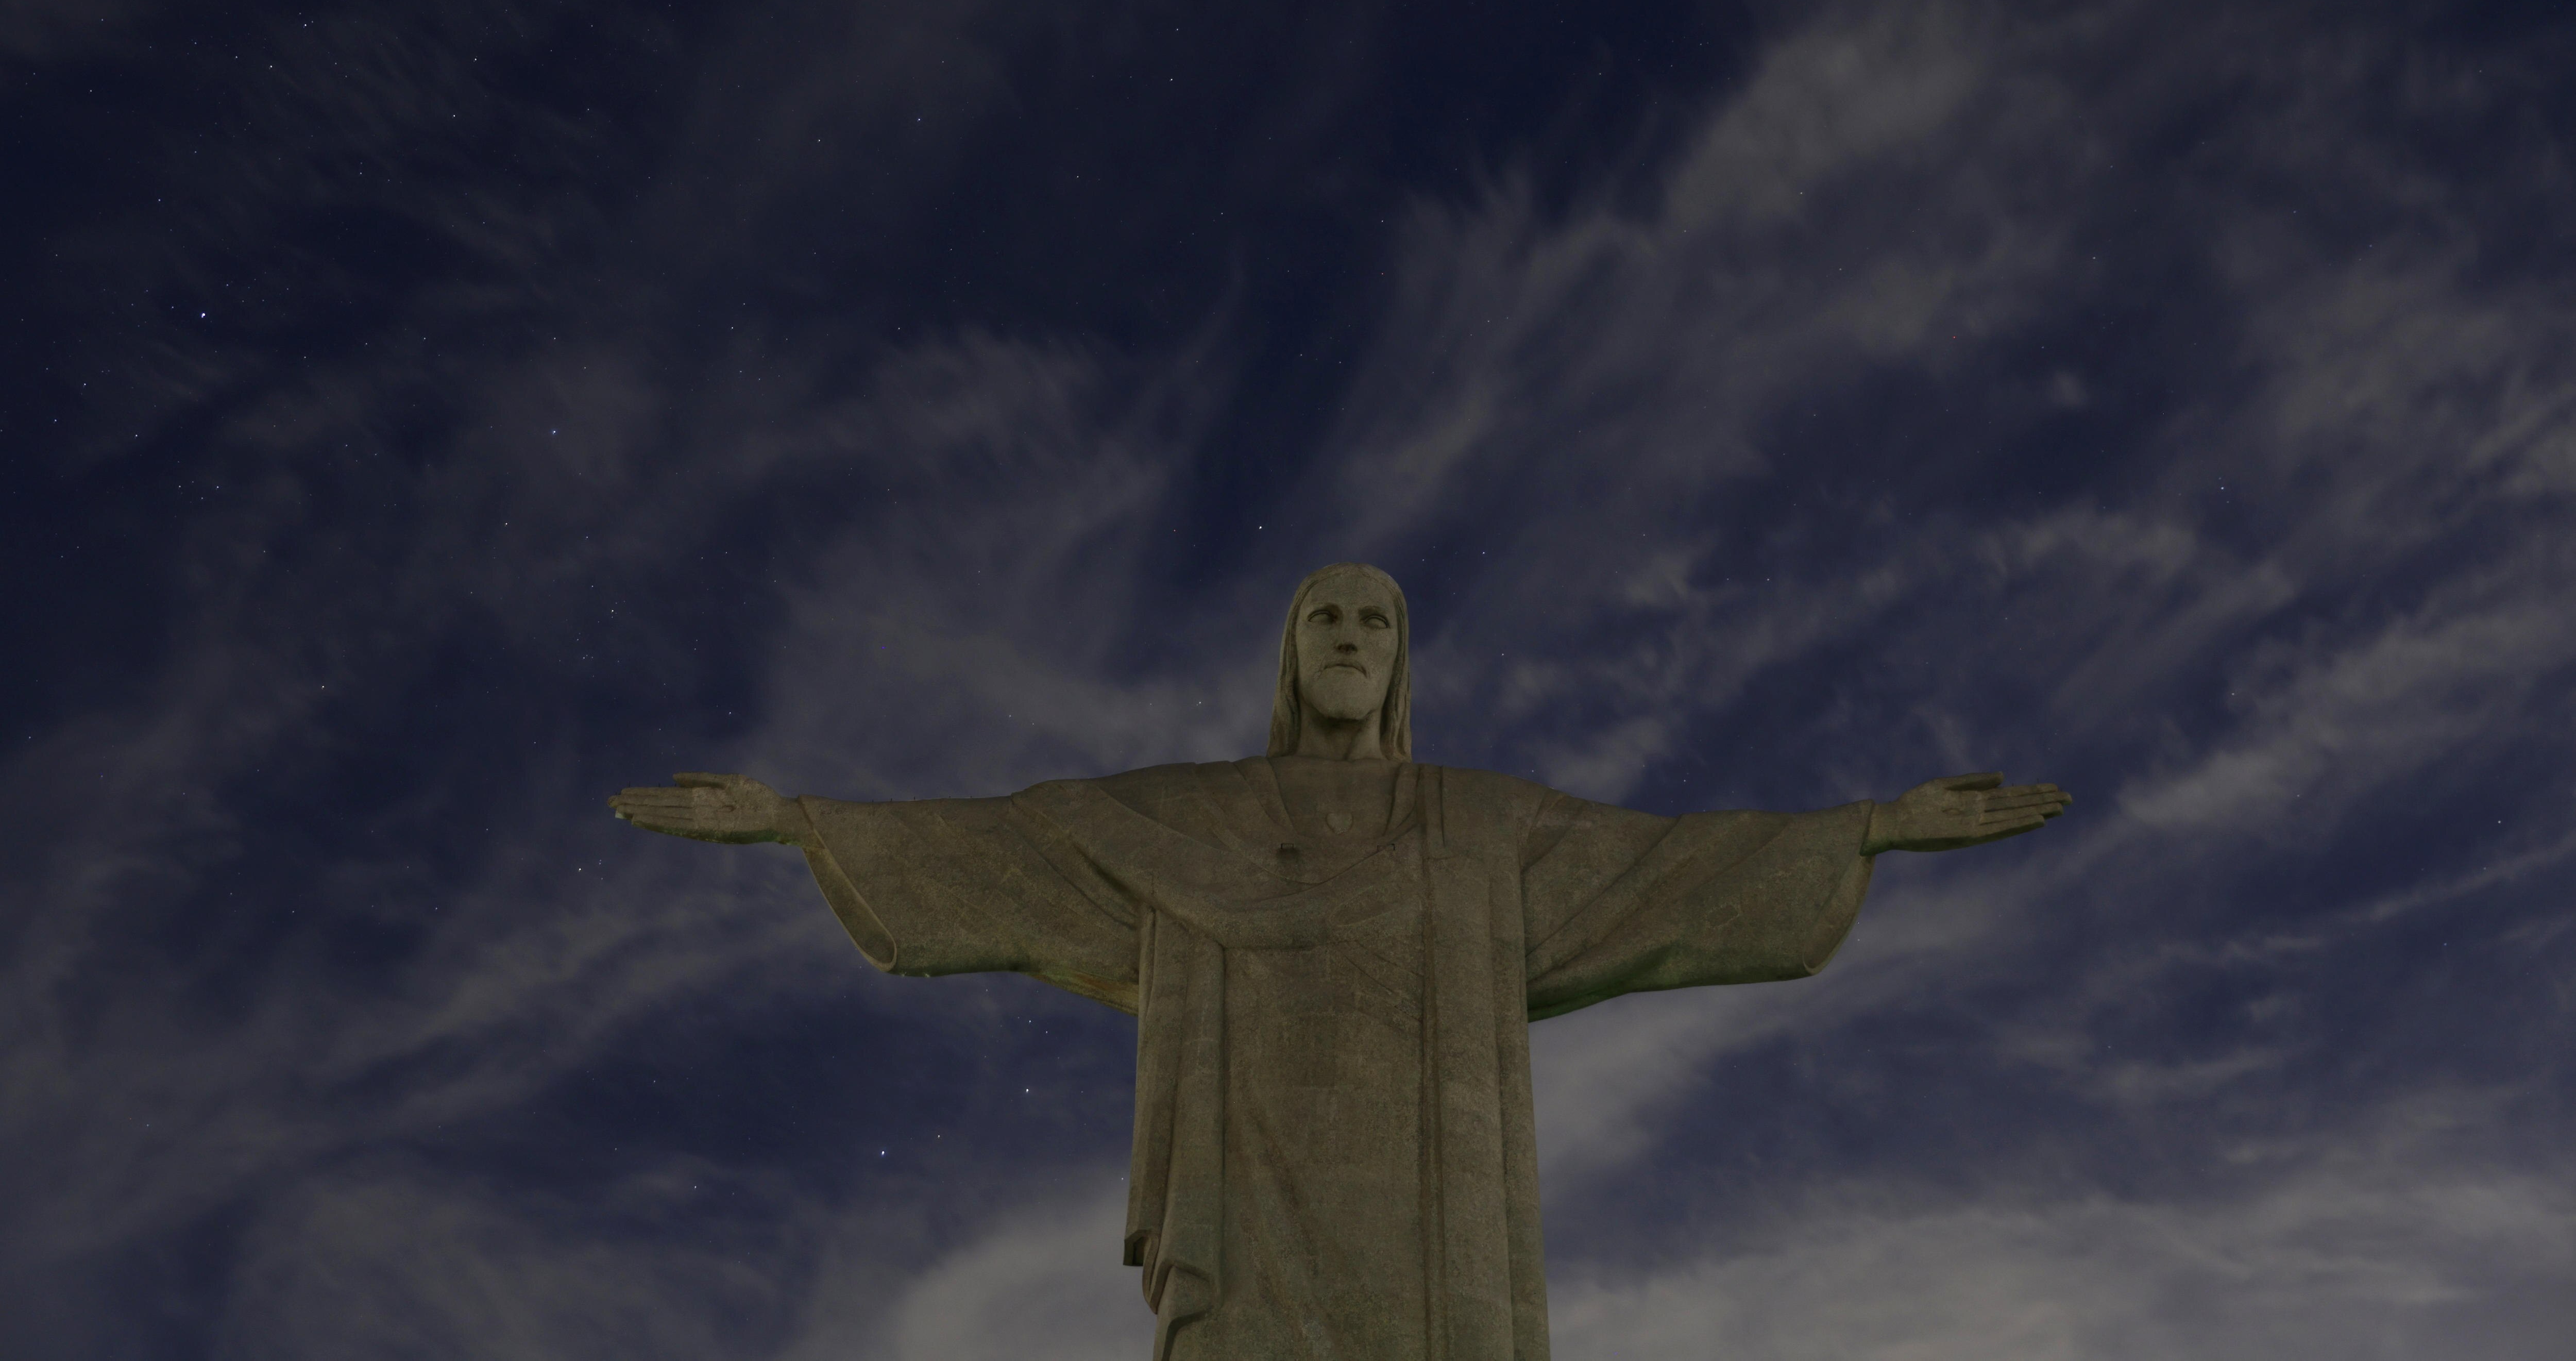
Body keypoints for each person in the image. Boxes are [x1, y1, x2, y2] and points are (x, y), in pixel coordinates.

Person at [611, 562, 2068, 1361]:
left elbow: (1664, 866)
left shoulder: (1478, 826)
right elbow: (1025, 841)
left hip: (1437, 1239)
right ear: (1292, 654)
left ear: (1401, 661)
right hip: (1245, 1223)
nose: (1353, 637)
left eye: (1377, 621)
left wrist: (1868, 828)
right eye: (1327, 618)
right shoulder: (1200, 815)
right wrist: (802, 821)